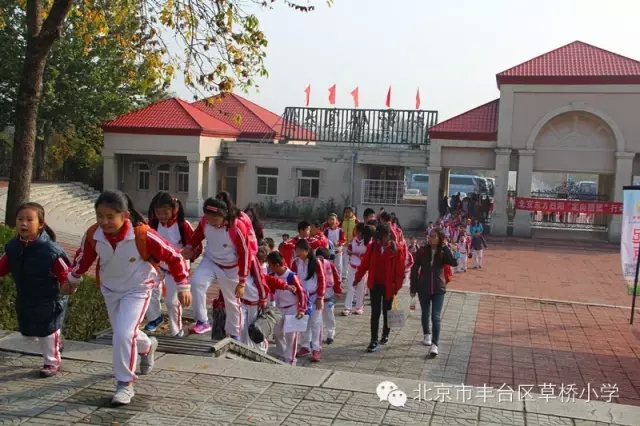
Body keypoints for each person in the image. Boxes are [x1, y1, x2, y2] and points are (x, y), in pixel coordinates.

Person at [67, 190, 191, 405]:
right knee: (123, 332)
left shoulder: (142, 234)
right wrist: (72, 279)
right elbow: (84, 258)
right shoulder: (93, 234)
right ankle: (147, 346)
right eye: (99, 216)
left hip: (138, 289)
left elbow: (174, 257)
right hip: (110, 289)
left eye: (110, 216)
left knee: (123, 334)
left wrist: (183, 286)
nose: (104, 222)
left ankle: (125, 383)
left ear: (125, 216)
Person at [0, 202, 71, 378]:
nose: (23, 223)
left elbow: (65, 273)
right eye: (20, 219)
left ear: (40, 224)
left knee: (48, 331)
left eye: (29, 220)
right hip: (27, 296)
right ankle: (57, 344)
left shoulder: (50, 250)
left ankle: (52, 362)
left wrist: (67, 285)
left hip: (50, 298)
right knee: (30, 332)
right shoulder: (13, 247)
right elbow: (3, 266)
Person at [182, 197, 252, 337]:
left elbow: (245, 254)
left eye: (215, 218)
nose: (211, 221)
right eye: (208, 218)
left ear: (224, 215)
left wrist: (242, 282)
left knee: (232, 302)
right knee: (196, 282)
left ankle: (235, 334)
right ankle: (202, 321)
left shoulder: (237, 227)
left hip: (231, 267)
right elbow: (198, 235)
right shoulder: (205, 221)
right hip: (211, 261)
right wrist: (189, 247)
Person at [144, 192, 201, 336]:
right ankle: (155, 318)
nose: (162, 216)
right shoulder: (152, 224)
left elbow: (196, 245)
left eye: (165, 212)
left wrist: (191, 253)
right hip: (158, 266)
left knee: (171, 301)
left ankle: (176, 330)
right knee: (147, 289)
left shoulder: (183, 225)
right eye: (158, 213)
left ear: (174, 209)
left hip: (176, 269)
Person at [353, 224, 404, 353]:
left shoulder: (396, 250)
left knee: (387, 311)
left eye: (381, 237)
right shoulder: (372, 247)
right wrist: (357, 278)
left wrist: (396, 287)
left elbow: (400, 271)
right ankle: (373, 340)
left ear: (388, 236)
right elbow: (364, 264)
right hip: (374, 284)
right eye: (377, 237)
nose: (379, 240)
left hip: (389, 286)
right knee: (375, 313)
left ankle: (385, 334)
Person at [410, 227, 457, 357]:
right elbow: (414, 269)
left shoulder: (442, 251)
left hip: (438, 288)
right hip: (423, 288)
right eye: (430, 235)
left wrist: (446, 248)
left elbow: (453, 262)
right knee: (425, 313)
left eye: (434, 236)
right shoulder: (422, 251)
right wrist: (413, 288)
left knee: (435, 316)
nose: (430, 238)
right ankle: (427, 334)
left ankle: (435, 344)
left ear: (440, 238)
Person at [240, 258, 295, 353]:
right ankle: (245, 349)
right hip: (242, 304)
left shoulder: (257, 274)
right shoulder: (237, 272)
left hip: (255, 305)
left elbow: (271, 280)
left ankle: (262, 349)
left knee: (255, 329)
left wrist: (285, 286)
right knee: (241, 328)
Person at [267, 251, 307, 365]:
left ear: (276, 265)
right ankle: (282, 353)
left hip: (292, 308)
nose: (269, 267)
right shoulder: (272, 276)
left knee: (291, 335)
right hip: (278, 308)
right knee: (277, 332)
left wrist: (302, 309)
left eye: (270, 264)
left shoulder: (291, 276)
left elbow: (302, 293)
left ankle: (291, 359)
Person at [291, 239, 326, 362]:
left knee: (315, 322)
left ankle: (316, 348)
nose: (298, 252)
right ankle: (305, 346)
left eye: (300, 250)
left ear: (307, 251)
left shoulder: (316, 262)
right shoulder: (295, 263)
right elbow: (292, 278)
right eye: (297, 250)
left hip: (314, 296)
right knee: (303, 321)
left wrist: (320, 297)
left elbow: (322, 280)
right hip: (302, 297)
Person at [343, 222, 373, 316]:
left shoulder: (368, 242)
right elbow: (349, 249)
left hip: (362, 269)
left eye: (355, 229)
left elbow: (367, 256)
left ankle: (359, 307)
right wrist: (351, 252)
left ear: (360, 231)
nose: (354, 231)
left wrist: (356, 254)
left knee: (361, 288)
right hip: (352, 266)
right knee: (350, 287)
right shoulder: (354, 240)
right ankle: (347, 307)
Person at [316, 247, 341, 344]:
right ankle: (318, 336)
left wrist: (338, 293)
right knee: (317, 317)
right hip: (318, 297)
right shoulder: (314, 266)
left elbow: (337, 279)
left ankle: (331, 333)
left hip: (330, 297)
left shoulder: (331, 266)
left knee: (329, 315)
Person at [323, 213, 346, 278]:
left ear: (336, 220)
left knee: (338, 267)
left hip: (338, 252)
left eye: (333, 219)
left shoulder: (340, 230)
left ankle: (338, 280)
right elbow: (324, 239)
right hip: (329, 252)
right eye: (330, 219)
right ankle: (329, 280)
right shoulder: (326, 230)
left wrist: (338, 243)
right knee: (329, 267)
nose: (331, 221)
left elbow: (344, 240)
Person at [339, 206, 359, 279]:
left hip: (352, 244)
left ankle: (348, 274)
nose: (347, 214)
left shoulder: (356, 221)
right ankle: (343, 274)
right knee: (343, 259)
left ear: (352, 213)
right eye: (345, 212)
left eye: (349, 212)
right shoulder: (342, 221)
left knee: (350, 259)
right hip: (343, 244)